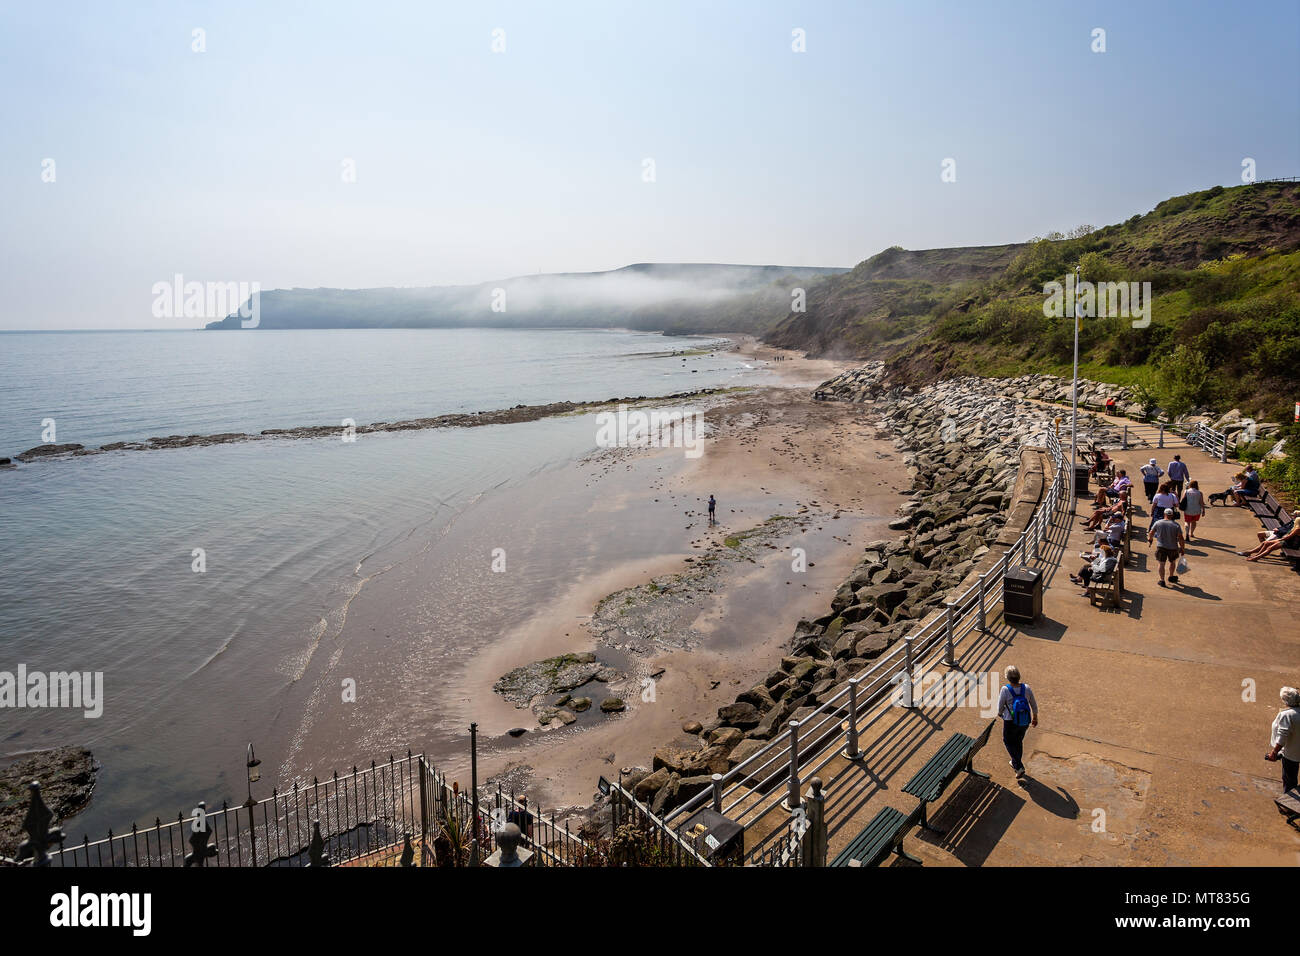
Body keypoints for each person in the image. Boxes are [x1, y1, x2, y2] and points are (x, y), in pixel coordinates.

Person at [997, 665, 1038, 778]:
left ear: (1007, 677)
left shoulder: (1005, 689)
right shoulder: (1027, 688)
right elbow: (1033, 704)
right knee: (1018, 741)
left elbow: (1000, 706)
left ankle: (1018, 766)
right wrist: (1035, 717)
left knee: (1007, 741)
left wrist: (1000, 714)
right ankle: (1016, 762)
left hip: (1010, 721)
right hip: (1024, 720)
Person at [1265, 687, 1300, 793]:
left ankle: (1289, 805)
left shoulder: (1287, 715)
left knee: (1289, 779)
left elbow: (1282, 737)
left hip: (1290, 754)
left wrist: (1274, 752)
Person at [1147, 508, 1186, 587]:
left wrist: (1150, 540)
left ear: (1164, 514)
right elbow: (1181, 538)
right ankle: (1171, 576)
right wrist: (1182, 548)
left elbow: (1151, 533)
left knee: (1161, 564)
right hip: (1173, 547)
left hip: (1161, 546)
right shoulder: (1176, 525)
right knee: (1172, 562)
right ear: (1172, 515)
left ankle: (1162, 580)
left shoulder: (1158, 523)